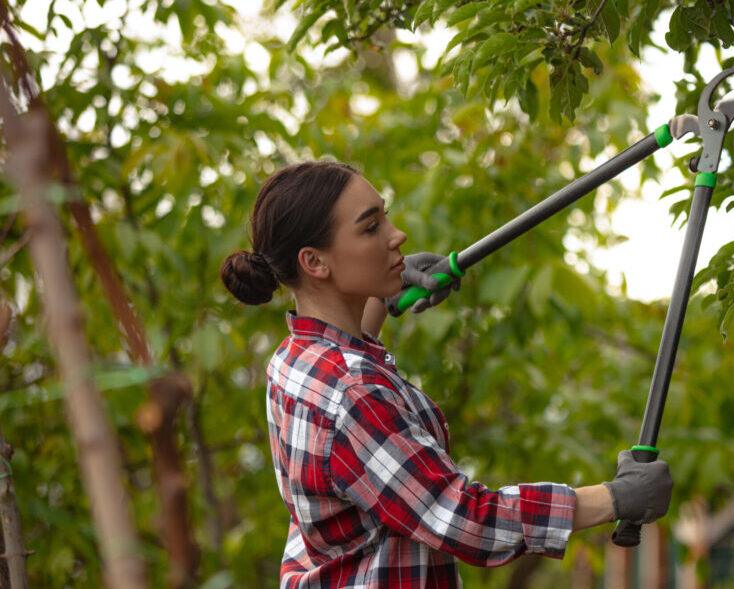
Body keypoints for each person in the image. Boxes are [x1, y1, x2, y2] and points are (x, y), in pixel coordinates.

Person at [219, 160, 673, 587]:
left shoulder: (296, 359)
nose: (397, 236)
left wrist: (386, 297)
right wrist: (614, 498)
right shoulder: (352, 393)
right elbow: (466, 520)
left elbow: (352, 365)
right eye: (371, 227)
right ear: (315, 262)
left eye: (386, 217)